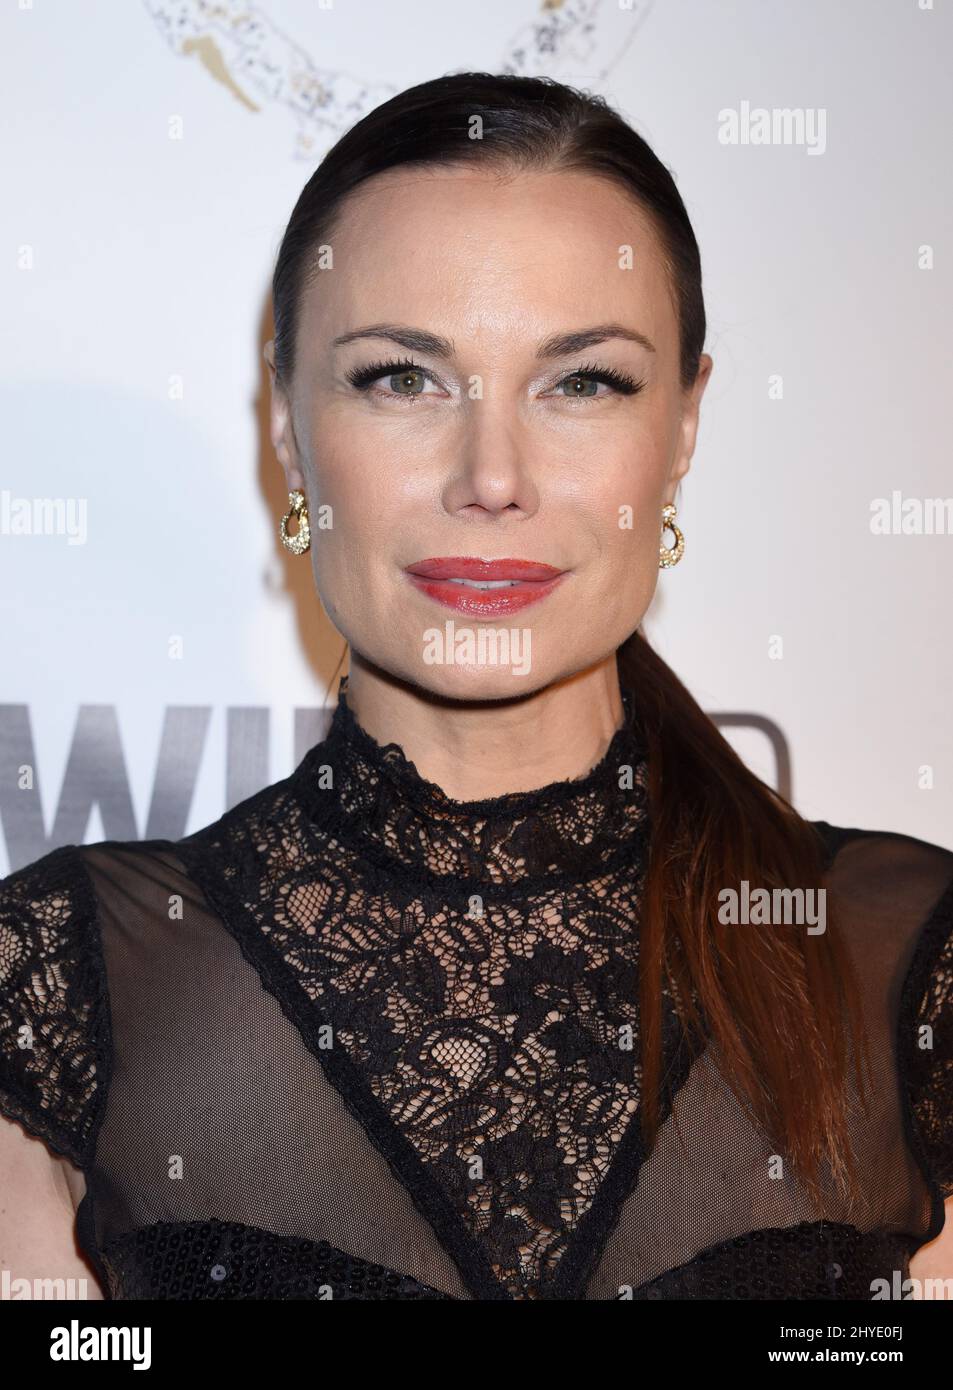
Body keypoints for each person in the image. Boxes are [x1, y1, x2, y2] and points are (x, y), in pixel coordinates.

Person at [1, 72, 951, 1302]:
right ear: (288, 426)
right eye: (402, 376)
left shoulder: (904, 960)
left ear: (684, 427)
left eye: (582, 381)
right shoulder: (68, 982)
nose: (490, 475)